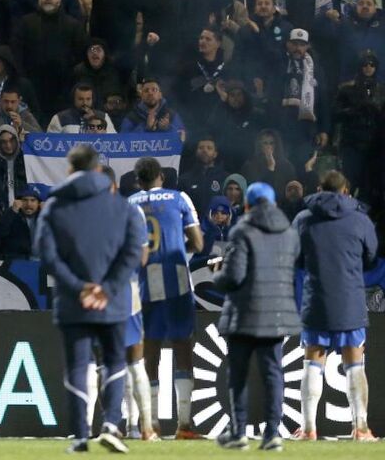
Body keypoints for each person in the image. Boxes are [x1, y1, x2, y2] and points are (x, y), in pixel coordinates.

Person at [35, 144, 144, 453]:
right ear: (98, 170)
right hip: (113, 300)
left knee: (78, 366)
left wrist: (78, 287)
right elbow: (133, 251)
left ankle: (81, 435)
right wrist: (107, 288)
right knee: (114, 361)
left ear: (69, 170)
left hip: (73, 302)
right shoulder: (122, 207)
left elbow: (47, 256)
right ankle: (111, 425)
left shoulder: (54, 207)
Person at [208, 182, 300, 451]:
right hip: (276, 315)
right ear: (273, 203)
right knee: (273, 374)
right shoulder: (290, 233)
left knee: (238, 376)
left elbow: (234, 276)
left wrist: (217, 273)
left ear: (246, 205)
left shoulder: (242, 231)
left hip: (245, 314)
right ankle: (272, 433)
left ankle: (239, 432)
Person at [292, 170, 378, 442]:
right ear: (345, 191)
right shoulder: (361, 220)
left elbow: (295, 257)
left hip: (316, 299)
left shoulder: (303, 219)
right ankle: (361, 428)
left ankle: (308, 429)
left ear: (318, 189)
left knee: (312, 363)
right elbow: (371, 256)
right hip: (350, 299)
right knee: (355, 364)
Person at [127, 157, 204, 439]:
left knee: (150, 353)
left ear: (138, 180)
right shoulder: (179, 197)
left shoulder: (129, 203)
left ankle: (152, 424)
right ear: (161, 176)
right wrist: (178, 251)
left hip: (145, 285)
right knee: (183, 347)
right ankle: (185, 424)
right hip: (178, 283)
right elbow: (198, 242)